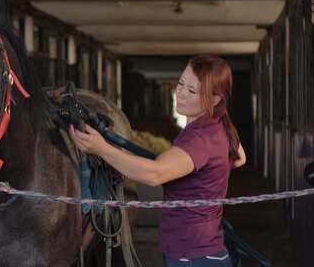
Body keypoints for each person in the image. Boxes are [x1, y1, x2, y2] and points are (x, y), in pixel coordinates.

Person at [69, 55, 246, 267]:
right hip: (201, 247)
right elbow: (240, 159)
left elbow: (155, 174)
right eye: (181, 83)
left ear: (215, 99)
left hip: (192, 254)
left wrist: (100, 148)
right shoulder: (218, 126)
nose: (180, 93)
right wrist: (204, 178)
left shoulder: (200, 139)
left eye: (191, 91)